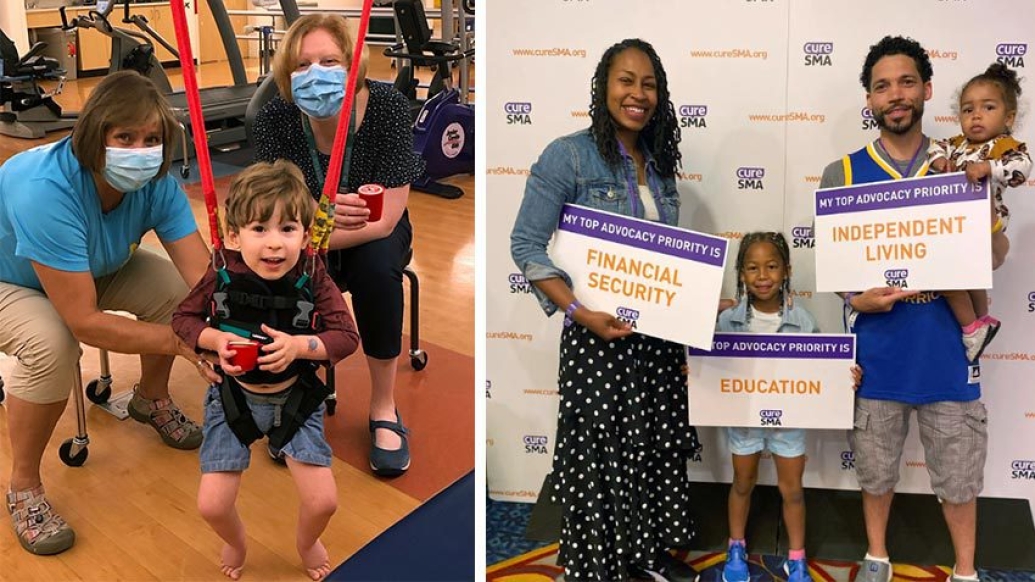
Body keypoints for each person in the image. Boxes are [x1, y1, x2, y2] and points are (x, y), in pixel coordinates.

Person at [0, 70, 216, 556]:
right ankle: (24, 484)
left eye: (152, 139)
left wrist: (231, 323)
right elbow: (84, 321)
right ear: (95, 137)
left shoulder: (155, 183)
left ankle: (150, 399)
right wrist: (182, 343)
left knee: (181, 302)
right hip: (10, 280)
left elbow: (203, 278)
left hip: (91, 264)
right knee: (51, 343)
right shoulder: (44, 189)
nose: (140, 150)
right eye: (125, 137)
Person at [510, 38, 701, 582]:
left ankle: (645, 557)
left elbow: (665, 262)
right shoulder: (567, 154)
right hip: (596, 340)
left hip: (656, 342)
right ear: (603, 87)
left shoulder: (660, 165)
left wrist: (695, 308)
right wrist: (578, 312)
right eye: (626, 81)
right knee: (602, 456)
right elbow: (526, 246)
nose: (638, 94)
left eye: (649, 84)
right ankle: (602, 566)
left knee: (653, 447)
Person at [819, 36, 987, 582]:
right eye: (882, 86)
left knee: (959, 478)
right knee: (875, 472)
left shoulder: (961, 164)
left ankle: (966, 570)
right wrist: (854, 298)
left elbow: (998, 253)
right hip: (879, 356)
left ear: (927, 90)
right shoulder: (841, 174)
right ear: (869, 100)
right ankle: (877, 558)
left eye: (906, 82)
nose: (896, 95)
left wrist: (984, 225)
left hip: (946, 354)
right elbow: (834, 270)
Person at [253, 13, 424, 476]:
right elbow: (273, 211)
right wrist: (311, 228)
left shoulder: (387, 107)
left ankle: (383, 407)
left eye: (329, 60)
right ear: (287, 72)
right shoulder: (276, 119)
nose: (317, 74)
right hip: (301, 236)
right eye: (304, 64)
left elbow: (386, 220)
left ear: (353, 64)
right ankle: (293, 394)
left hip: (373, 234)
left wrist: (314, 225)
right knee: (277, 263)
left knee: (376, 269)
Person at [171, 160, 360, 581]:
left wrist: (300, 347)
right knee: (212, 505)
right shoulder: (220, 273)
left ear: (306, 236)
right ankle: (236, 541)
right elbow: (183, 320)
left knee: (323, 500)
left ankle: (306, 542)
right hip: (232, 398)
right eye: (260, 230)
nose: (274, 245)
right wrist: (216, 340)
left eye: (288, 229)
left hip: (293, 399)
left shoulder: (312, 275)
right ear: (234, 236)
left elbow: (346, 337)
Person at [715, 232, 818, 582]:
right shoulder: (728, 322)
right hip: (743, 417)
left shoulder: (803, 322)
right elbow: (714, 369)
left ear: (786, 271)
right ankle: (736, 547)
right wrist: (698, 372)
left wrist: (842, 374)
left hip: (789, 419)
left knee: (792, 490)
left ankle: (796, 558)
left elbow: (819, 371)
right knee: (742, 482)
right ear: (741, 273)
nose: (762, 276)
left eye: (772, 266)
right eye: (753, 268)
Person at [927, 63, 1031, 362]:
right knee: (964, 275)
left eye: (988, 107)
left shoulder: (1004, 145)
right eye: (967, 109)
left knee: (948, 274)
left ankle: (972, 329)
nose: (976, 115)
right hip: (956, 224)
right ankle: (982, 322)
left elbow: (1022, 168)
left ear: (1008, 117)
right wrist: (938, 162)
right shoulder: (956, 145)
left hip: (986, 225)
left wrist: (989, 167)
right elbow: (934, 148)